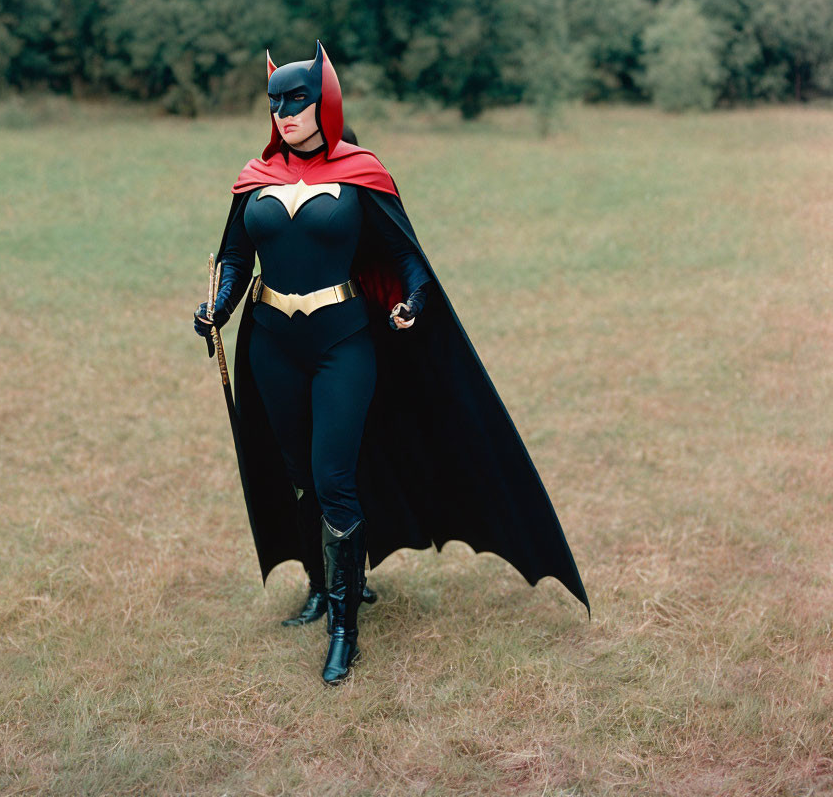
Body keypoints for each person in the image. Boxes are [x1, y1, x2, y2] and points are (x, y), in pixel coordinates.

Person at [194, 42, 588, 685]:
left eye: (296, 101)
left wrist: (412, 298)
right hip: (272, 344)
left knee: (334, 474)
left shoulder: (361, 171)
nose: (284, 113)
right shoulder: (253, 179)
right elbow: (235, 258)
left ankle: (345, 626)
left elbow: (408, 257)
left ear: (324, 102)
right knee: (300, 474)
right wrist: (216, 305)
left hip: (343, 340)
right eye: (275, 103)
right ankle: (324, 587)